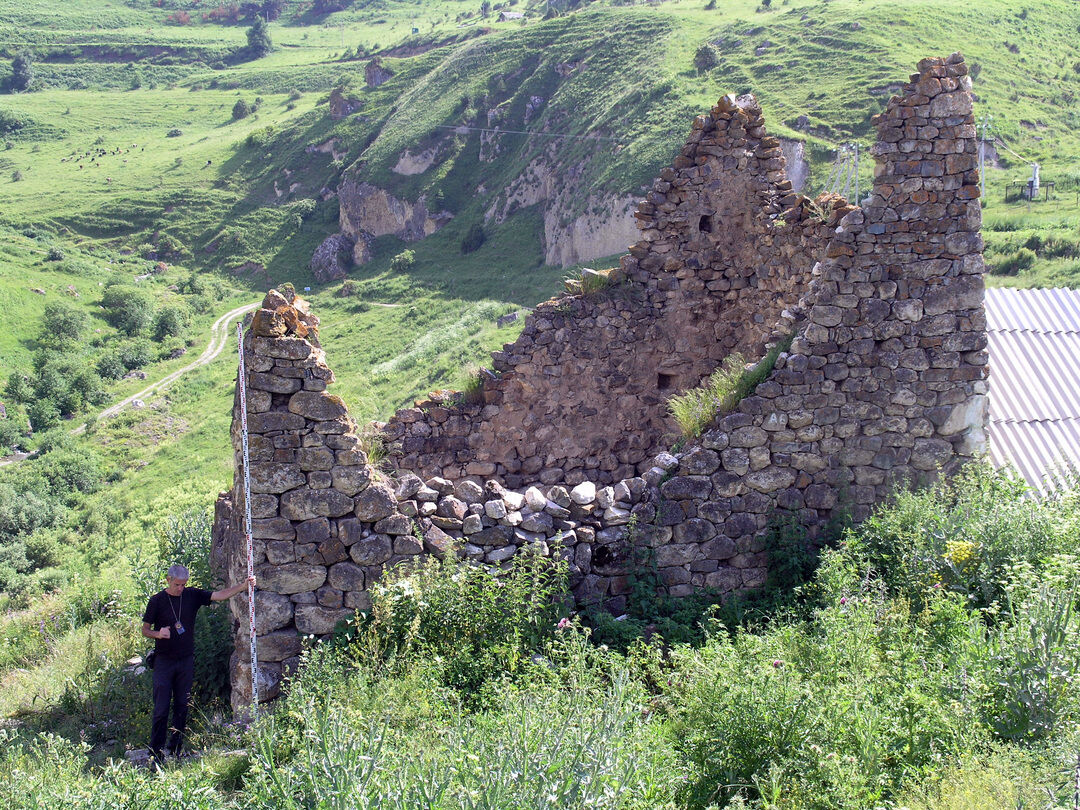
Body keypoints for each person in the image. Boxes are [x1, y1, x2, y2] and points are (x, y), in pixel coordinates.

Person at [141, 564, 255, 767]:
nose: (180, 588)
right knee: (161, 708)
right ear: (168, 580)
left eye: (184, 584)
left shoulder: (191, 595)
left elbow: (219, 595)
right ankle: (156, 753)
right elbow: (145, 630)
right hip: (163, 662)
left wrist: (243, 586)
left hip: (185, 661)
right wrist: (158, 634)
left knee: (182, 706)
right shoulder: (157, 601)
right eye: (177, 584)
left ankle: (175, 750)